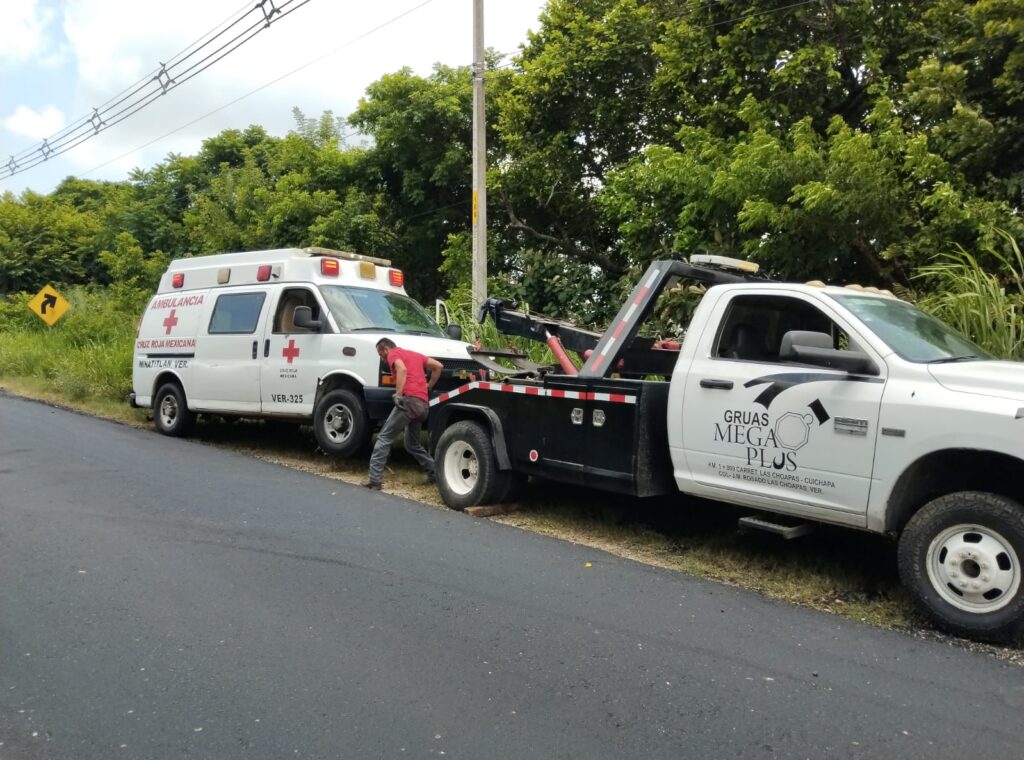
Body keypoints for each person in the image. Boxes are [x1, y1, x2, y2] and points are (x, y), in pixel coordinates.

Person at [363, 337, 442, 490]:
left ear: (385, 349)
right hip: (422, 405)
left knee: (384, 437)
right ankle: (436, 473)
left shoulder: (394, 354)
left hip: (408, 401)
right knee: (412, 444)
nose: (384, 359)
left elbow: (402, 369)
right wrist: (429, 386)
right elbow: (438, 366)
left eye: (381, 355)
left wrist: (398, 394)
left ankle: (374, 480)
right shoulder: (415, 355)